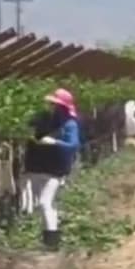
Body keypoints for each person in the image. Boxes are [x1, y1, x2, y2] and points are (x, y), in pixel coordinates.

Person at [20, 88, 81, 250]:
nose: (53, 107)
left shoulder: (69, 124)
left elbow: (73, 145)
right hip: (36, 165)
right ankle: (51, 238)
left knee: (44, 202)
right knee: (46, 204)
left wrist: (55, 143)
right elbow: (28, 127)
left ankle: (51, 242)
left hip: (55, 169)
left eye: (57, 104)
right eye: (53, 104)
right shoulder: (44, 119)